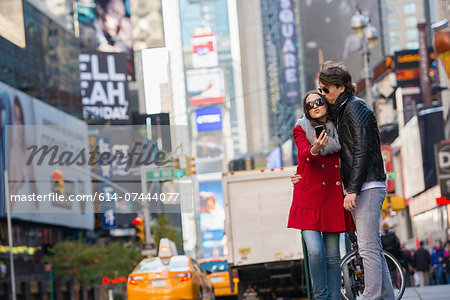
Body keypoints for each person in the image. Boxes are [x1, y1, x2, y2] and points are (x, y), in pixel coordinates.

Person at [318, 62, 394, 299]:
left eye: (325, 89)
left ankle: (371, 296)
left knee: (368, 248)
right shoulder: (344, 109)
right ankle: (387, 296)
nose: (323, 94)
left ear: (340, 87)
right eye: (321, 89)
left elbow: (361, 150)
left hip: (367, 186)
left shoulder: (355, 108)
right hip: (364, 186)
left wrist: (352, 190)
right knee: (373, 248)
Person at [288, 91, 355, 300]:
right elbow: (303, 152)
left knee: (334, 257)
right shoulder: (300, 128)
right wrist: (315, 148)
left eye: (319, 102)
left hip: (333, 198)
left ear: (326, 103)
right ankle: (321, 297)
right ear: (305, 110)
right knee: (316, 251)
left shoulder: (339, 126)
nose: (315, 106)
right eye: (309, 105)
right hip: (308, 197)